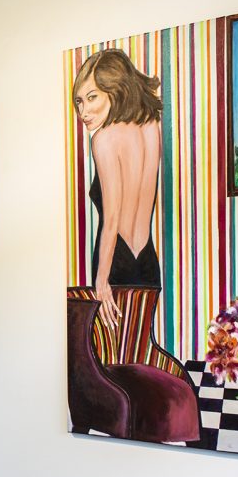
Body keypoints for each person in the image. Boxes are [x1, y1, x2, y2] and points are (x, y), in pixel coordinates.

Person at [72, 49, 163, 330]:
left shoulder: (105, 139)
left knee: (111, 361)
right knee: (140, 352)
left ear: (116, 90)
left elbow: (111, 221)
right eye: (78, 101)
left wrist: (101, 280)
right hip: (147, 260)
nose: (83, 112)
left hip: (115, 263)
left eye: (92, 97)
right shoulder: (152, 125)